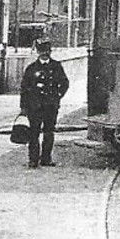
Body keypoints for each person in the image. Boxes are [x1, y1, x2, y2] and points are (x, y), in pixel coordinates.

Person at [19, 39, 70, 169]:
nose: (44, 54)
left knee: (49, 132)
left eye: (47, 51)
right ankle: (33, 159)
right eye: (42, 51)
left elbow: (64, 83)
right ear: (37, 52)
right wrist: (23, 107)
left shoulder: (56, 66)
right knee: (33, 133)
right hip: (34, 107)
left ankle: (46, 158)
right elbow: (24, 89)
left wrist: (57, 96)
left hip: (50, 106)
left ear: (50, 52)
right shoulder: (31, 69)